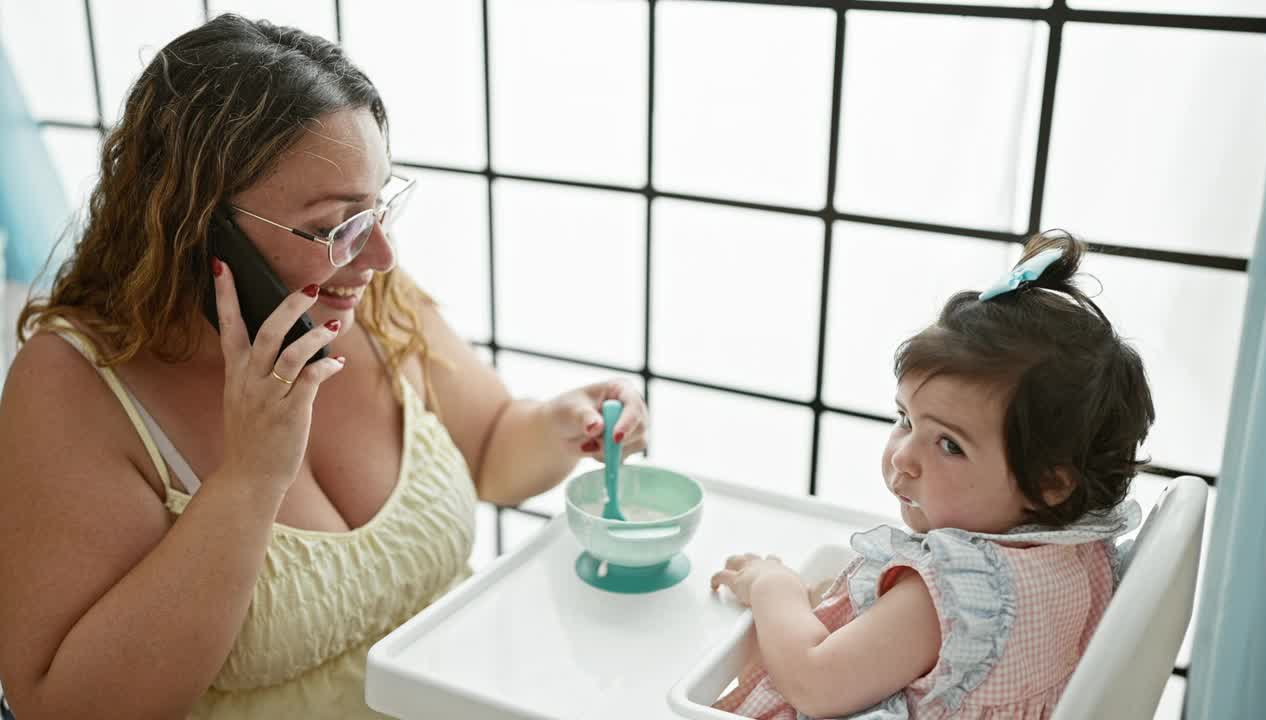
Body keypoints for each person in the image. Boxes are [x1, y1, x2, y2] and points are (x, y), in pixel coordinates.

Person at [0, 15, 647, 719]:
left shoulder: (356, 292)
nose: (378, 260)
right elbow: (67, 708)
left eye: (376, 211)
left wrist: (558, 426)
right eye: (331, 227)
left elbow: (490, 446)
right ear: (192, 225)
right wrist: (251, 479)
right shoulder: (72, 384)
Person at [710, 231, 1155, 719]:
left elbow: (815, 682)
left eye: (949, 444)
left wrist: (774, 586)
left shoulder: (952, 593)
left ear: (1052, 483)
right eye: (905, 419)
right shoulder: (1077, 557)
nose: (903, 457)